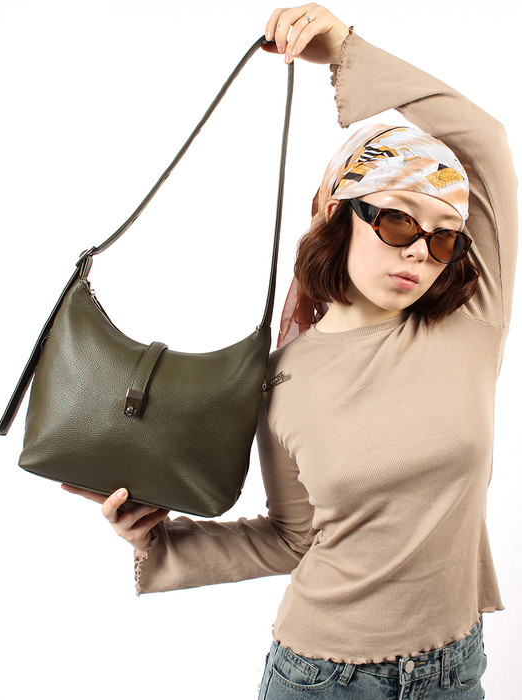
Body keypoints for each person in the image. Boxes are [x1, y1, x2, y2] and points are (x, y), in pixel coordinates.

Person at [60, 3, 518, 698]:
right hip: (321, 677)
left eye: (443, 235)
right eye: (397, 219)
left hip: (455, 671)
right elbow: (292, 538)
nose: (420, 252)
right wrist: (153, 539)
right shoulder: (282, 379)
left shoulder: (471, 322)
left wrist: (346, 50)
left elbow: (482, 139)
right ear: (339, 214)